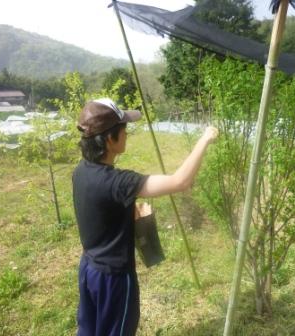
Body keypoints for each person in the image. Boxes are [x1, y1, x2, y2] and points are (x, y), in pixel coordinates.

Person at [72, 98, 218, 336]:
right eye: (124, 130)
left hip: (89, 268)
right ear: (110, 139)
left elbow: (98, 209)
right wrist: (204, 139)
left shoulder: (81, 171)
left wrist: (126, 213)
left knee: (88, 329)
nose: (127, 134)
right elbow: (180, 181)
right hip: (114, 278)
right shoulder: (118, 182)